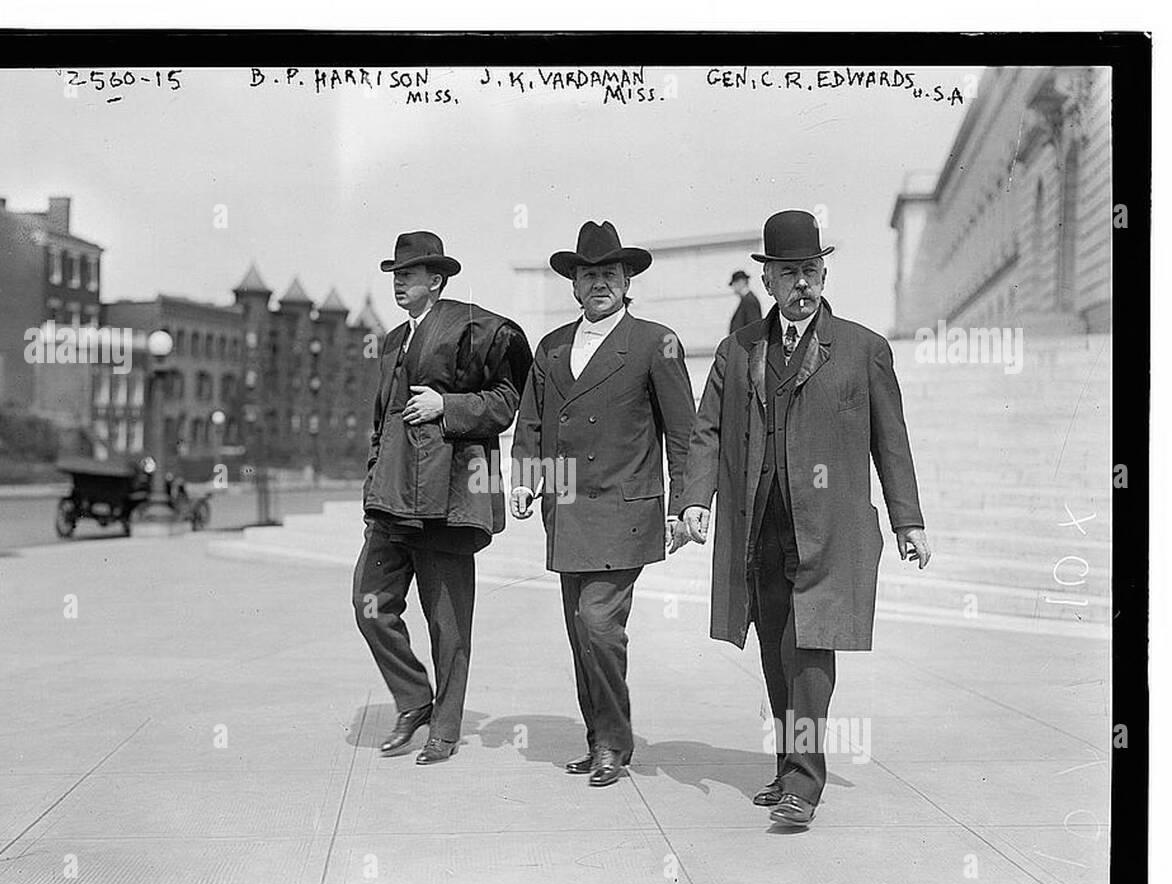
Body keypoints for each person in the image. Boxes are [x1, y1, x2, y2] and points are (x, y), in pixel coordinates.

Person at [675, 210, 931, 827]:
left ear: (824, 273)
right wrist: (692, 500)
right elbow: (705, 430)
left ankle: (804, 783)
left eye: (811, 271)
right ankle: (789, 763)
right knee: (774, 649)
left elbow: (889, 440)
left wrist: (908, 519)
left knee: (811, 650)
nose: (802, 285)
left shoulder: (863, 349)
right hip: (758, 528)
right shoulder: (739, 351)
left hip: (830, 529)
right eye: (789, 273)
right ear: (768, 280)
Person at [510, 220, 696, 787]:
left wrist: (684, 505)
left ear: (625, 280)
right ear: (573, 284)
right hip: (566, 510)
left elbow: (684, 433)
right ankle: (599, 742)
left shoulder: (654, 342)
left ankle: (614, 741)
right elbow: (532, 422)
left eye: (609, 274)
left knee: (597, 625)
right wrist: (524, 479)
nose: (599, 284)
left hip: (624, 509)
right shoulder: (551, 347)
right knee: (579, 631)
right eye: (588, 275)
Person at [354, 231, 532, 764]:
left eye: (408, 275)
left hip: (446, 502)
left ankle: (445, 729)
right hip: (390, 501)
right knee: (370, 606)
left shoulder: (473, 328)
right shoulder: (391, 342)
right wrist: (371, 485)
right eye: (395, 275)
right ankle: (414, 700)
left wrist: (446, 405)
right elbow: (381, 421)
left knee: (448, 626)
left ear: (437, 280)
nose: (398, 283)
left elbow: (506, 402)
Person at [729, 269, 762, 334]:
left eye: (734, 284)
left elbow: (754, 328)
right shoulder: (746, 300)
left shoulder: (750, 301)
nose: (733, 288)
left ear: (741, 282)